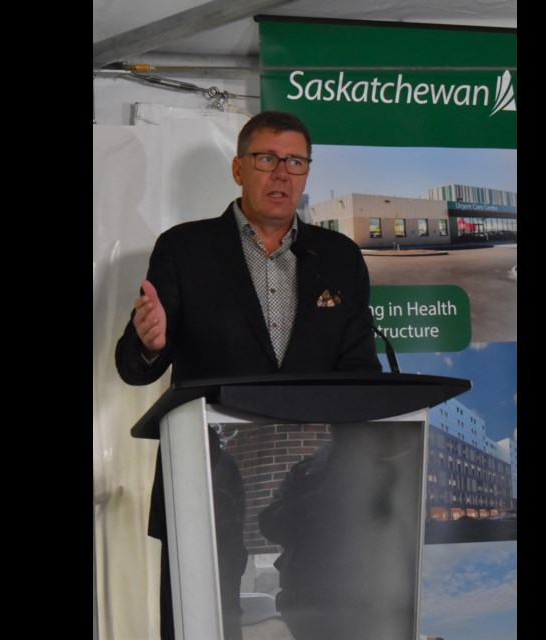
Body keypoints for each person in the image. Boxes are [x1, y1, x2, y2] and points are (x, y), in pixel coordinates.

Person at [114, 110, 382, 639]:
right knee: (206, 623)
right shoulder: (184, 249)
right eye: (267, 158)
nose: (282, 173)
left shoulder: (339, 257)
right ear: (239, 168)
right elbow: (133, 367)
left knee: (323, 621)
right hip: (207, 485)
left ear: (307, 172)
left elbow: (360, 373)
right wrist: (149, 344)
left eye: (296, 162)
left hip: (317, 496)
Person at [258, 423, 422, 640]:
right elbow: (270, 523)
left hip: (371, 600)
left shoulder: (397, 470)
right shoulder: (308, 471)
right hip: (311, 601)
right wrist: (319, 500)